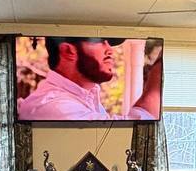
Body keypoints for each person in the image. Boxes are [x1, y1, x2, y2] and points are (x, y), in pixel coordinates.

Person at [18, 38, 162, 121]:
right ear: (68, 51)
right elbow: (137, 130)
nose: (110, 50)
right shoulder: (52, 106)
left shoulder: (85, 95)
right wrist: (159, 69)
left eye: (108, 43)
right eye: (99, 41)